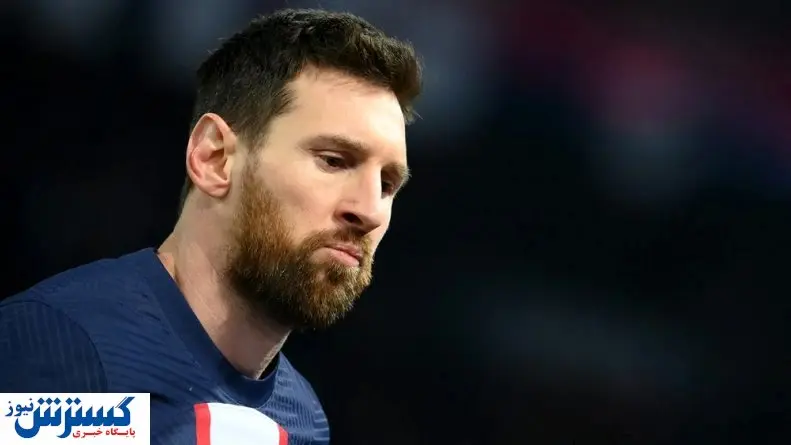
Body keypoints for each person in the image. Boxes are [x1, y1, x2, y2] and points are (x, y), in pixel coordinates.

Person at [0, 8, 422, 445]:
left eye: (387, 184)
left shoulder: (302, 421)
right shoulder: (64, 348)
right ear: (214, 158)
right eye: (333, 161)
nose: (370, 210)